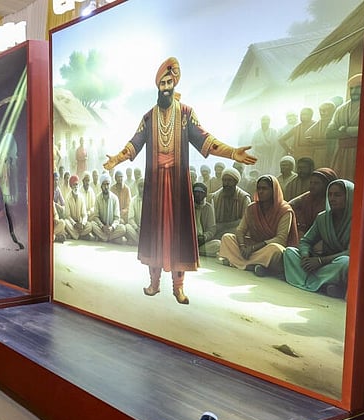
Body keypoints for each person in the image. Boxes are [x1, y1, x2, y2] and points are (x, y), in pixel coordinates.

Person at [103, 57, 256, 304]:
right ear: (157, 86)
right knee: (154, 234)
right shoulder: (148, 117)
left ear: (174, 84)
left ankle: (178, 287)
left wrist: (231, 152)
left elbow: (206, 140)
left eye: (169, 82)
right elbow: (135, 144)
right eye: (161, 83)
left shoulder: (186, 114)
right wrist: (116, 160)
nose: (165, 87)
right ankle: (153, 284)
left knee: (179, 235)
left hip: (177, 185)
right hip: (155, 184)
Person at [283, 179, 353, 298]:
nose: (332, 198)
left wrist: (321, 261)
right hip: (318, 264)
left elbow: (351, 252)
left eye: (337, 195)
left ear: (350, 197)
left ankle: (314, 282)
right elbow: (306, 241)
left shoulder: (358, 221)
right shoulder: (323, 218)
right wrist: (305, 257)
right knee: (290, 252)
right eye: (329, 195)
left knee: (346, 262)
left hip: (334, 264)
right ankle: (323, 285)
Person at [218, 175, 298, 277]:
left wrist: (253, 248)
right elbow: (240, 230)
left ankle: (238, 262)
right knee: (227, 237)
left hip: (266, 248)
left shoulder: (285, 211)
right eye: (259, 188)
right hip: (251, 247)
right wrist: (242, 246)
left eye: (264, 189)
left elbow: (281, 239)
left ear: (273, 190)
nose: (260, 191)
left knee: (276, 249)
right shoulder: (252, 208)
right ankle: (256, 265)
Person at [327, 74, 361, 182]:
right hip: (341, 154)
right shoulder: (341, 109)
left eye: (358, 88)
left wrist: (346, 129)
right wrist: (354, 132)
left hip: (360, 153)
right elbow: (329, 133)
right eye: (352, 88)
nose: (354, 91)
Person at [288, 167, 338, 237]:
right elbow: (290, 205)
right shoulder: (308, 196)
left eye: (316, 183)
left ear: (327, 184)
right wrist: (301, 222)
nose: (312, 186)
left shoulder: (334, 200)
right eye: (311, 183)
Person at [91, 173, 126, 243]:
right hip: (102, 227)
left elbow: (117, 218)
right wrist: (102, 226)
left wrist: (112, 227)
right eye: (104, 184)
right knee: (92, 224)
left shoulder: (115, 198)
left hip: (112, 227)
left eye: (107, 184)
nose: (106, 187)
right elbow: (96, 216)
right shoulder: (98, 198)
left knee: (123, 228)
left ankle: (104, 238)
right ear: (101, 186)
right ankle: (111, 238)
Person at [65, 175, 94, 241]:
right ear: (71, 186)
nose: (75, 187)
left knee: (90, 226)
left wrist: (83, 224)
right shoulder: (67, 198)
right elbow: (68, 216)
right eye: (74, 185)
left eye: (77, 184)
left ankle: (74, 235)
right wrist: (74, 224)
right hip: (72, 224)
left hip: (80, 223)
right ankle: (80, 236)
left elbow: (84, 214)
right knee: (66, 222)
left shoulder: (82, 197)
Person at [192, 182, 217, 257]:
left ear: (205, 194)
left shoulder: (208, 208)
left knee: (218, 244)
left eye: (201, 192)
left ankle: (196, 251)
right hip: (189, 240)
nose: (198, 195)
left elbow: (212, 229)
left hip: (203, 242)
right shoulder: (187, 205)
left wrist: (204, 237)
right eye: (196, 192)